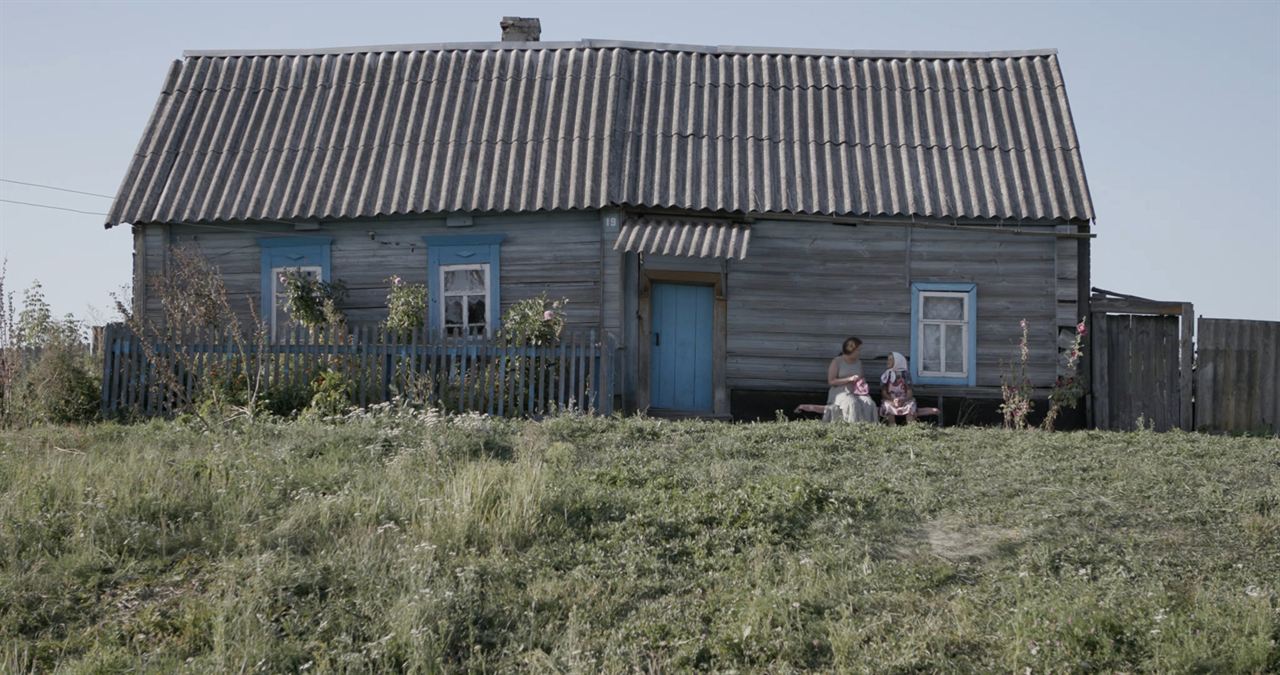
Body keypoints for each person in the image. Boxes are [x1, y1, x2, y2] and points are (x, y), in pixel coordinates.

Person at [794, 336, 878, 423]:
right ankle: (852, 428)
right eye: (858, 350)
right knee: (852, 403)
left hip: (856, 391)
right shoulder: (837, 361)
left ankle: (869, 428)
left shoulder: (859, 362)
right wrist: (849, 379)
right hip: (840, 392)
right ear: (851, 349)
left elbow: (861, 378)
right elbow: (831, 381)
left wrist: (862, 382)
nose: (860, 353)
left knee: (869, 403)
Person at [879, 351, 918, 423]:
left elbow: (910, 391)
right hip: (891, 399)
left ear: (897, 361)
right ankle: (892, 427)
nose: (888, 362)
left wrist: (903, 400)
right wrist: (892, 400)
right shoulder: (886, 375)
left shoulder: (905, 375)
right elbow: (883, 392)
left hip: (904, 400)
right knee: (887, 406)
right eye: (888, 359)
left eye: (890, 360)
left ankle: (911, 428)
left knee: (910, 406)